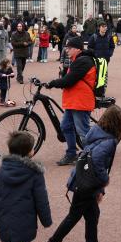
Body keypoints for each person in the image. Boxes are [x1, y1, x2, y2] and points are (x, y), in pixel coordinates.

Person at [39, 105, 121, 242]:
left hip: (81, 180)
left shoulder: (96, 133)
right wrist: (104, 181)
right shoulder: (109, 141)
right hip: (86, 184)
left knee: (92, 213)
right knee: (73, 216)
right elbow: (98, 163)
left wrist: (100, 189)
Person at [46, 37, 97, 167]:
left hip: (80, 101)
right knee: (66, 127)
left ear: (77, 49)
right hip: (74, 100)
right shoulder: (77, 60)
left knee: (83, 131)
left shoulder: (83, 61)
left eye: (69, 48)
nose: (67, 50)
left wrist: (53, 83)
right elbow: (68, 78)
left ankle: (91, 156)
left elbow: (69, 81)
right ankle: (71, 154)